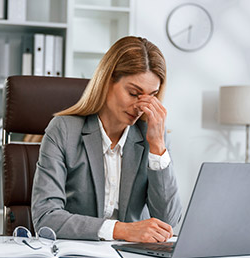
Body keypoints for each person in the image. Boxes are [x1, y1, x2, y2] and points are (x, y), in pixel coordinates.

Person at [31, 36, 182, 242]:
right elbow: (46, 217)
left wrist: (157, 148)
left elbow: (168, 222)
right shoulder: (64, 130)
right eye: (134, 93)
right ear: (107, 81)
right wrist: (121, 230)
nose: (142, 106)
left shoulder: (153, 135)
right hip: (78, 255)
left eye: (151, 96)